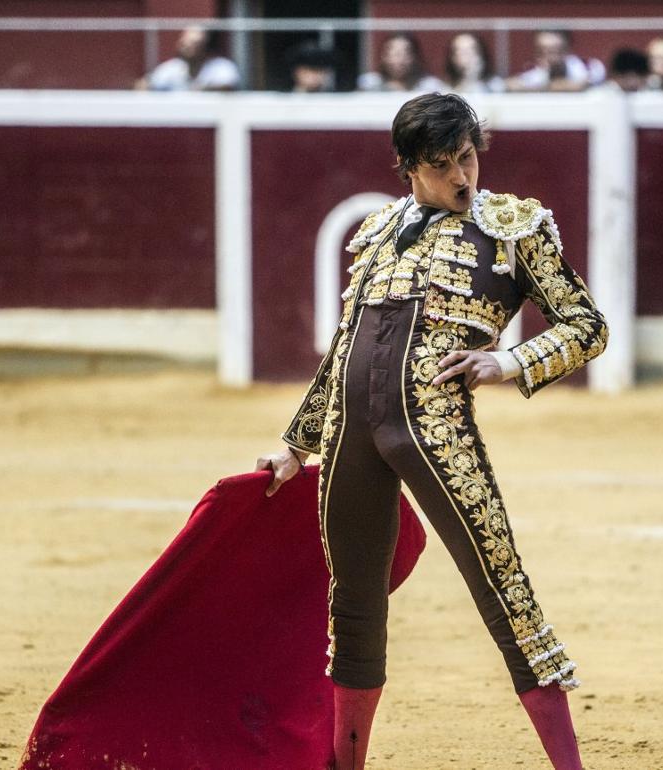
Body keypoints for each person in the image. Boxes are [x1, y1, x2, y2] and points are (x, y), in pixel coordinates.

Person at [258, 93, 608, 769]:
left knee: (503, 587)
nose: (462, 176)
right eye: (444, 164)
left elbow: (587, 326)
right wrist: (294, 447)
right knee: (353, 610)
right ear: (409, 167)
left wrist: (509, 360)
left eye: (468, 157)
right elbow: (343, 348)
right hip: (349, 437)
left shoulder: (512, 227)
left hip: (436, 429)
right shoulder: (378, 230)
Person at [140, 25, 240, 92]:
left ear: (206, 46)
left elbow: (227, 86)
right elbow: (146, 85)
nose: (188, 48)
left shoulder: (221, 66)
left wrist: (199, 90)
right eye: (184, 43)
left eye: (195, 44)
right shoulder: (171, 68)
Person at [507, 29, 606, 92]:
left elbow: (579, 85)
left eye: (553, 51)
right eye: (541, 52)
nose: (548, 58)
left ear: (566, 51)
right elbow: (511, 84)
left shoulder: (588, 66)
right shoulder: (538, 73)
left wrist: (537, 88)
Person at [358, 33, 445, 92]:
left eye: (405, 54)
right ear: (383, 56)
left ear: (415, 57)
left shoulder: (429, 87)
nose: (400, 60)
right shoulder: (369, 84)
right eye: (394, 54)